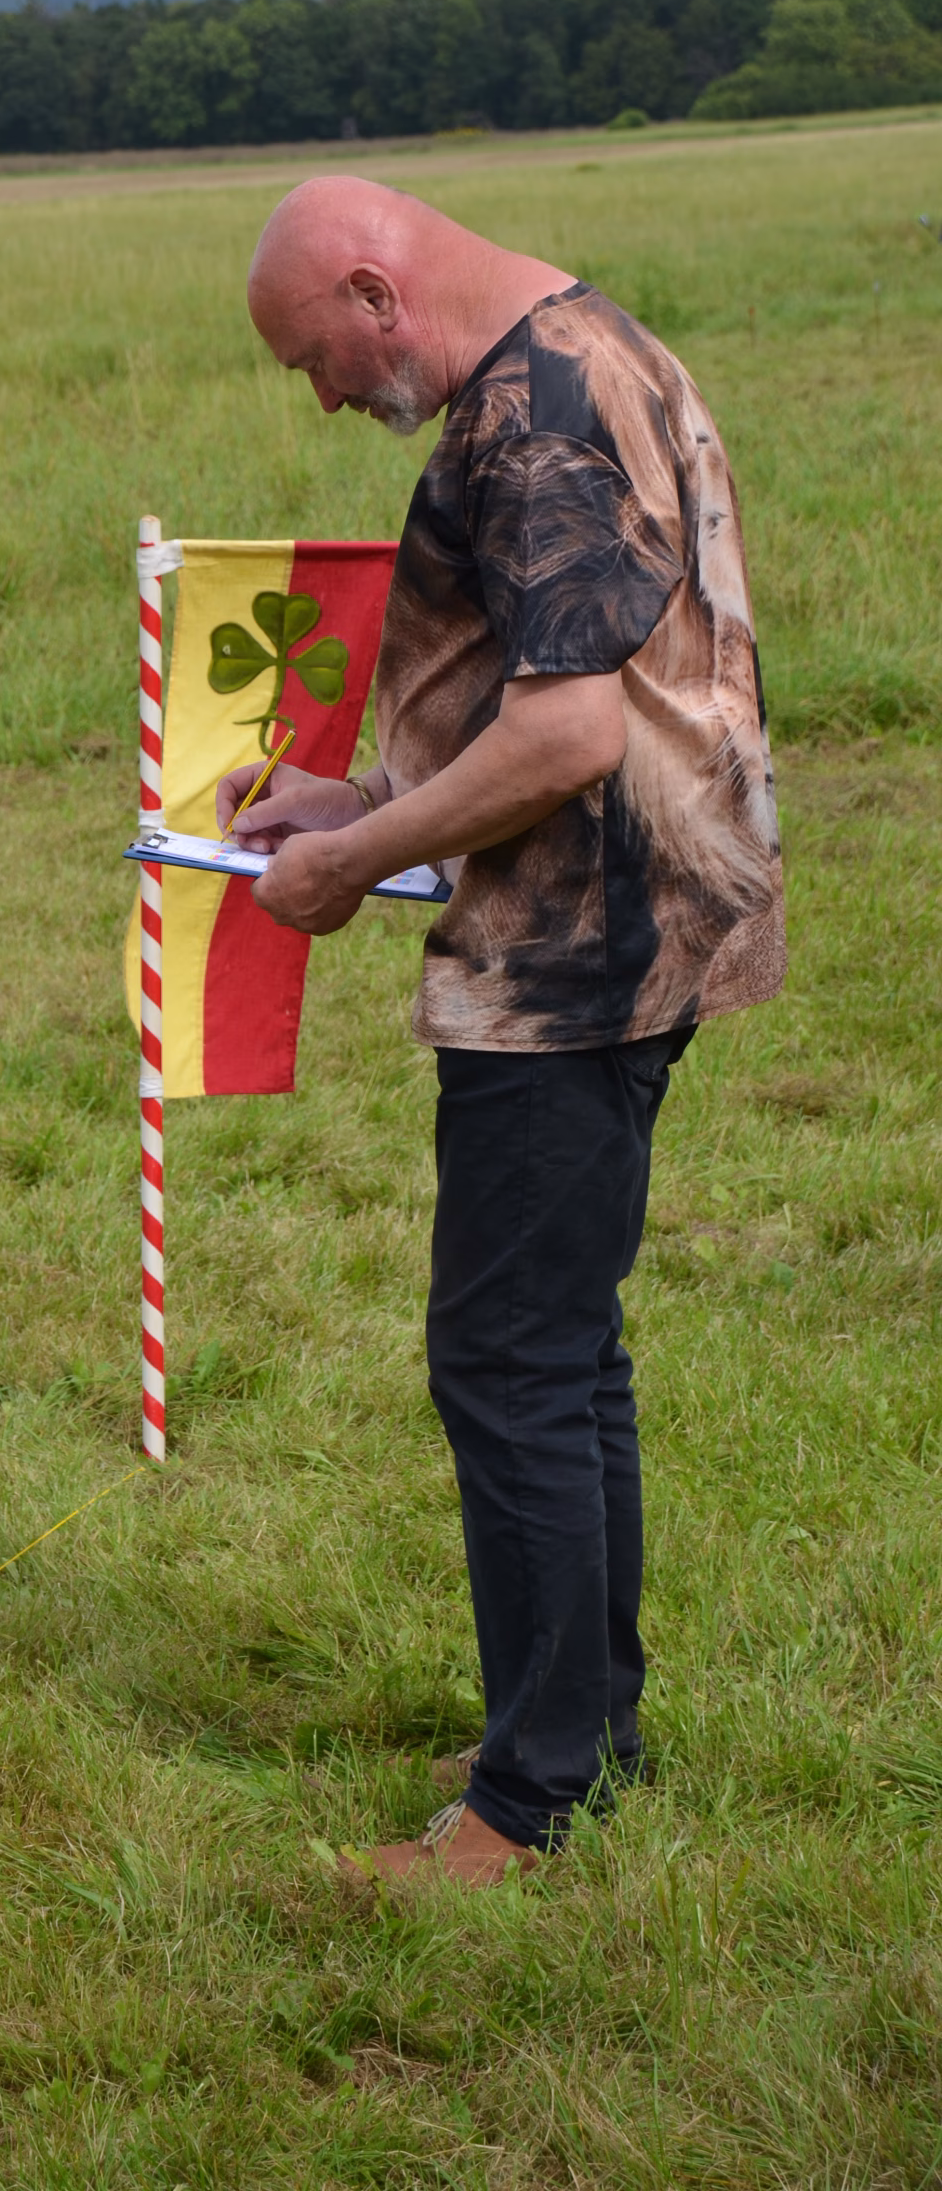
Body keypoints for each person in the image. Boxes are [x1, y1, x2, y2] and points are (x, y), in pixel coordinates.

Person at [219, 177, 785, 1889]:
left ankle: (523, 1809)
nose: (322, 398)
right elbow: (546, 679)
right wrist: (361, 787)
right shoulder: (587, 340)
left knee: (508, 1363)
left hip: (580, 954)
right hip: (646, 925)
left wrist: (344, 864)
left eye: (320, 359)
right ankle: (583, 1739)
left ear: (380, 292)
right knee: (563, 1348)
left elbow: (564, 742)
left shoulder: (531, 412)